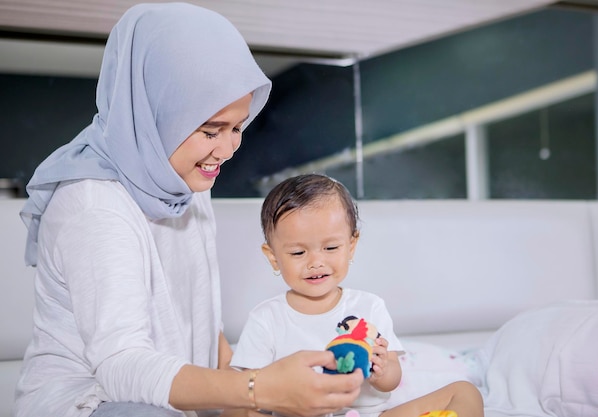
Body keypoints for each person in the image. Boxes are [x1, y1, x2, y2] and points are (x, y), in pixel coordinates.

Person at [14, 4, 363, 417]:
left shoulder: (184, 181)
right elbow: (120, 368)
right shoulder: (95, 206)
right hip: (90, 404)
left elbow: (199, 315)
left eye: (237, 128)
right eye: (210, 131)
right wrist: (256, 389)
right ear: (154, 113)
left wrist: (250, 399)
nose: (228, 149)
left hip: (169, 400)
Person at [231, 174, 484, 417]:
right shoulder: (266, 318)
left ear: (351, 246)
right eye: (298, 253)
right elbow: (251, 388)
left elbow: (391, 382)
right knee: (238, 411)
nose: (316, 262)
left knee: (464, 391)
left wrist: (382, 369)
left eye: (330, 248)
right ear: (273, 256)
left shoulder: (369, 306)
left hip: (370, 415)